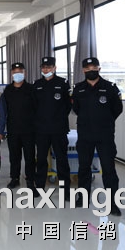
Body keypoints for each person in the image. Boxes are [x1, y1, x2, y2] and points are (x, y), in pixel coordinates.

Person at [72, 57, 122, 215]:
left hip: (104, 135)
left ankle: (112, 203)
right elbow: (76, 109)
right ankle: (83, 197)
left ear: (99, 68)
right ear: (83, 70)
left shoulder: (110, 87)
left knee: (108, 169)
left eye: (94, 67)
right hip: (85, 134)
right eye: (87, 68)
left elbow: (117, 109)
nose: (91, 70)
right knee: (84, 167)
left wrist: (104, 121)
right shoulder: (78, 88)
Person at [33, 57, 72, 196]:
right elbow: (34, 106)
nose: (46, 70)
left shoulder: (63, 83)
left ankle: (65, 189)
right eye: (43, 67)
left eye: (49, 67)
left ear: (54, 68)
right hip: (41, 129)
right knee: (41, 160)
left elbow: (68, 105)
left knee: (61, 159)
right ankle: (39, 187)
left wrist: (58, 118)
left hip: (58, 129)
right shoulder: (37, 84)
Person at [0, 62, 37, 190]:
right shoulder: (8, 90)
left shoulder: (31, 89)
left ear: (24, 73)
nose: (17, 74)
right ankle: (14, 178)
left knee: (29, 156)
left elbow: (37, 108)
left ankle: (30, 179)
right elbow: (4, 110)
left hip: (29, 129)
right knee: (14, 156)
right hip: (13, 129)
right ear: (11, 73)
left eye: (20, 72)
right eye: (15, 72)